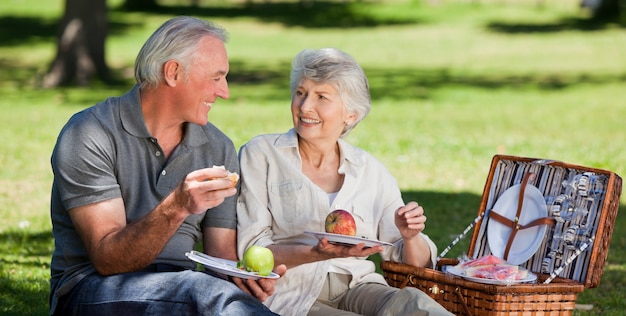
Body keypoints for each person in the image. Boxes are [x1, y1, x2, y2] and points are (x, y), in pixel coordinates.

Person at [49, 16, 285, 316]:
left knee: (203, 290)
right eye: (216, 77)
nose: (225, 92)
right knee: (198, 290)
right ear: (173, 72)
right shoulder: (89, 133)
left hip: (183, 293)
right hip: (92, 290)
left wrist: (243, 280)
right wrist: (177, 205)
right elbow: (108, 260)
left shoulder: (217, 146)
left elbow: (220, 256)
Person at [236, 48, 453, 316]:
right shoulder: (262, 154)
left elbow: (414, 265)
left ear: (350, 114)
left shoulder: (370, 171)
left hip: (359, 286)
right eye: (301, 93)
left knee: (419, 307)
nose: (305, 107)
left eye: (321, 97)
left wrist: (411, 235)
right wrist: (316, 253)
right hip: (293, 294)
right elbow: (251, 251)